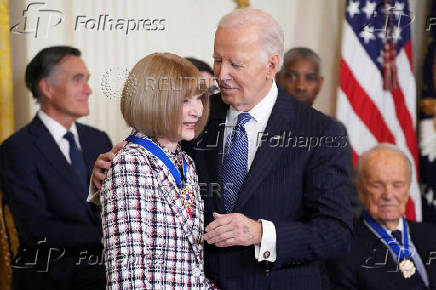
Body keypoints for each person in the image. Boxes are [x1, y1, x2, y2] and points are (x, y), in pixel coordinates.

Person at [92, 8, 354, 290]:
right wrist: (103, 184)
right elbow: (146, 202)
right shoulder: (192, 116)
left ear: (271, 65)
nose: (221, 75)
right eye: (217, 60)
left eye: (236, 64)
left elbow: (336, 233)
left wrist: (260, 233)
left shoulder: (320, 132)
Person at [98, 53, 217, 289]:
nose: (197, 110)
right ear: (154, 100)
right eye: (185, 101)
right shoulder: (130, 163)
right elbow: (128, 276)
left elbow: (189, 264)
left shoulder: (186, 163)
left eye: (199, 98)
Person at [0, 46, 111, 290]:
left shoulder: (98, 140)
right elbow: (36, 231)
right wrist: (108, 235)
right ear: (47, 88)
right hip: (51, 272)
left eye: (88, 80)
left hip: (104, 265)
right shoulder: (17, 149)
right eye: (77, 80)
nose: (88, 89)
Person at [327, 144, 436, 289]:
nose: (388, 195)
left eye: (397, 185)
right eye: (377, 185)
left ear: (408, 188)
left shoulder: (432, 234)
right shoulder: (344, 251)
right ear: (360, 190)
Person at [277, 47, 363, 219]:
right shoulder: (260, 123)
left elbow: (346, 196)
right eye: (292, 76)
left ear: (320, 84)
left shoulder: (332, 130)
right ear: (278, 79)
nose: (300, 86)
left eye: (309, 78)